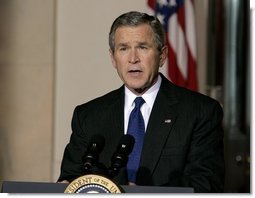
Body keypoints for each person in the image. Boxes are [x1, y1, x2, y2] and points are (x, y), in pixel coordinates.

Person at [58, 11, 225, 192]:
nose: (133, 59)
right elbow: (71, 179)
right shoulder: (88, 116)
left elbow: (206, 185)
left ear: (162, 56)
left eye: (143, 47)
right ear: (113, 58)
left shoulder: (200, 112)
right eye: (123, 48)